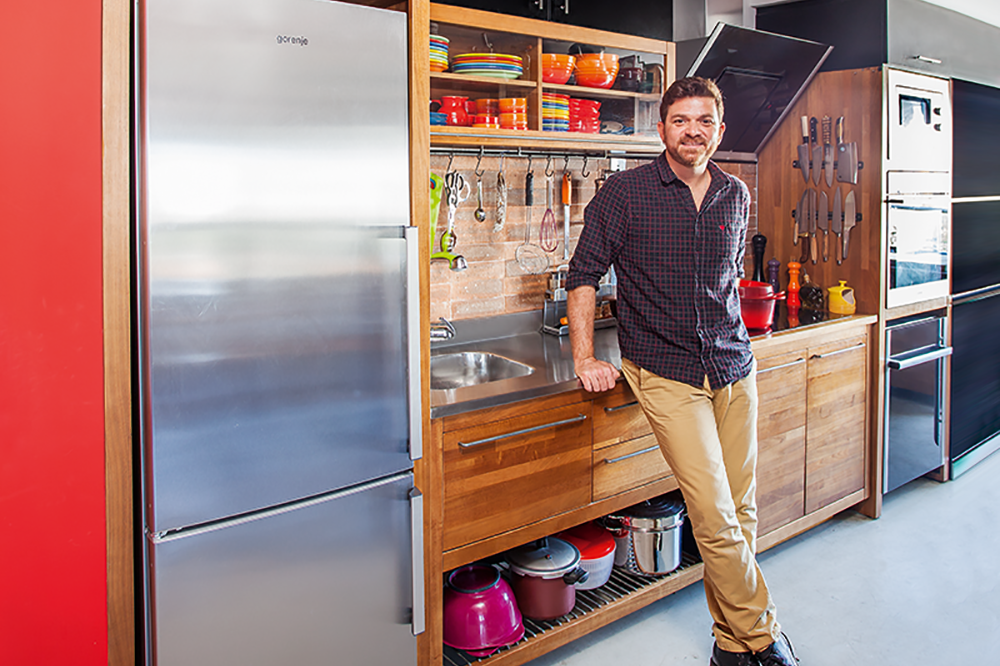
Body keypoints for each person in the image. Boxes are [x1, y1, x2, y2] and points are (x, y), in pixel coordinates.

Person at [565, 76, 799, 666]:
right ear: (662, 127)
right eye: (680, 120)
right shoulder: (625, 194)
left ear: (719, 130)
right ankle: (766, 639)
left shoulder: (735, 194)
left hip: (732, 365)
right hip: (666, 371)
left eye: (704, 121)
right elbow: (583, 275)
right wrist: (585, 358)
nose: (692, 130)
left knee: (741, 511)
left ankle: (729, 645)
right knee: (715, 516)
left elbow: (720, 287)